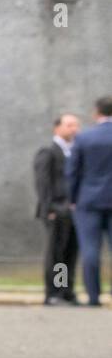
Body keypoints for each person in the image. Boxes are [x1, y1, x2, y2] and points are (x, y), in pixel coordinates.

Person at [68, 96, 112, 307]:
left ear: (97, 113)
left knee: (90, 250)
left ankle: (93, 297)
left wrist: (73, 198)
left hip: (88, 201)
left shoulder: (84, 138)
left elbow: (73, 172)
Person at [34, 114, 81, 306]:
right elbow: (42, 184)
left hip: (74, 212)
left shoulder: (76, 152)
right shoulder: (48, 152)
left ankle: (67, 291)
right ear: (57, 128)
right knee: (56, 255)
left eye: (76, 125)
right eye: (69, 125)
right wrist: (49, 209)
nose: (74, 129)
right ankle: (54, 292)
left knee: (71, 253)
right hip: (56, 210)